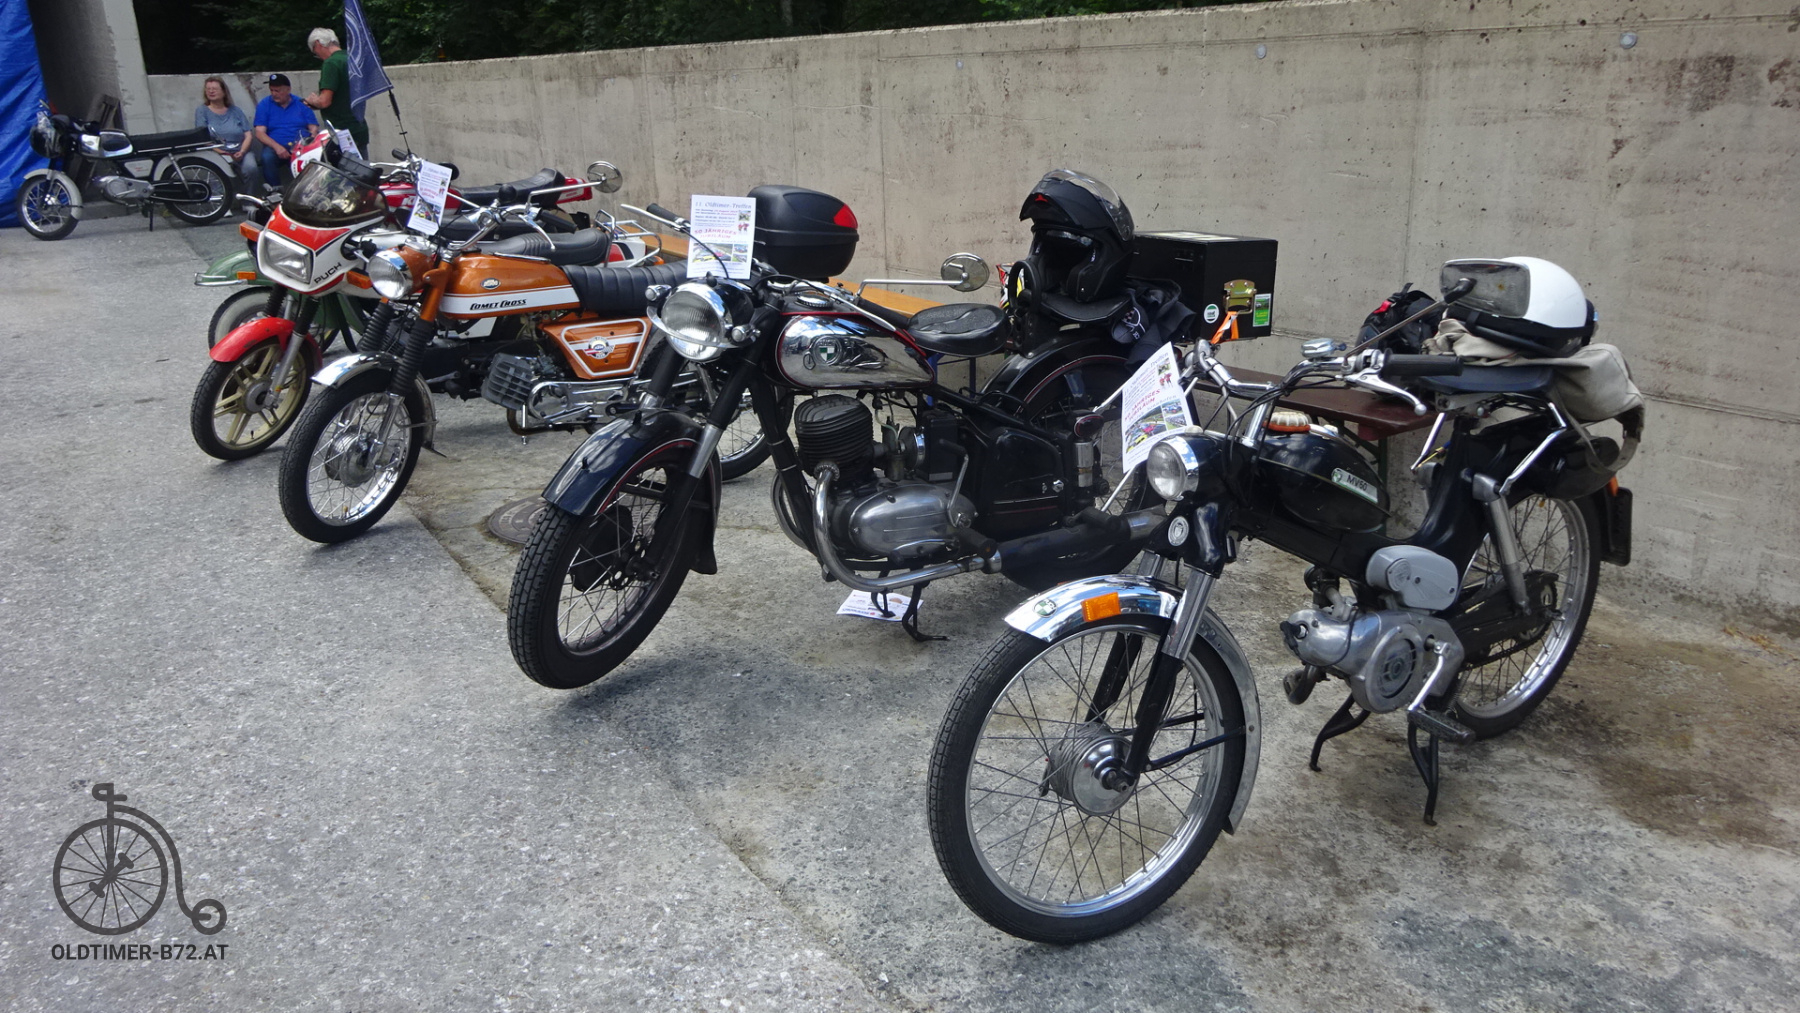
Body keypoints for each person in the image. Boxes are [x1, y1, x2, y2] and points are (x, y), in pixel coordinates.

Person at [304, 28, 369, 155]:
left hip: (342, 131)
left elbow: (324, 101)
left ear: (318, 43)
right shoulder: (352, 58)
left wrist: (313, 100)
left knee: (345, 167)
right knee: (362, 165)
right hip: (359, 127)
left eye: (315, 52)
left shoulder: (331, 63)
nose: (318, 56)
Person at [253, 73, 318, 192]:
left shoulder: (301, 103)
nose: (274, 94)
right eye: (272, 90)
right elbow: (259, 133)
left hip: (300, 146)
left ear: (288, 89)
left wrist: (308, 144)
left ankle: (307, 192)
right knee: (267, 157)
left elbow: (313, 128)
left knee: (311, 159)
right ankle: (275, 191)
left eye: (278, 91)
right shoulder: (264, 105)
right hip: (275, 146)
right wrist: (277, 147)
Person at [194, 76, 253, 205]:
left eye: (214, 89)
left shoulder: (236, 111)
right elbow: (202, 138)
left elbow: (248, 134)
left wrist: (242, 151)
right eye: (208, 89)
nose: (211, 91)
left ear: (224, 91)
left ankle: (248, 202)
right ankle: (221, 204)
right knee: (218, 170)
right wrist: (221, 152)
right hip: (217, 152)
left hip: (239, 150)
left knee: (251, 167)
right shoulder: (202, 111)